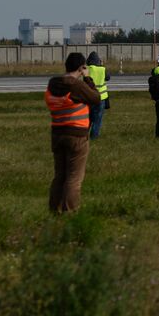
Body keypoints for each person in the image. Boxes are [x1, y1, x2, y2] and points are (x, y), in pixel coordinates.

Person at [46, 52, 101, 213]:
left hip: (57, 133)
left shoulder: (53, 84)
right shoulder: (75, 86)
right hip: (76, 135)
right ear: (81, 67)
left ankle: (54, 210)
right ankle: (69, 212)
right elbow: (95, 98)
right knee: (74, 178)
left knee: (59, 176)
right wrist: (88, 78)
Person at [85, 51, 110, 139]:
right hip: (101, 98)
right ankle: (94, 137)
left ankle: (83, 136)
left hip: (88, 98)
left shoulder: (85, 69)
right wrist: (102, 65)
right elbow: (108, 78)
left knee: (88, 119)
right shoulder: (102, 69)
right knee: (97, 119)